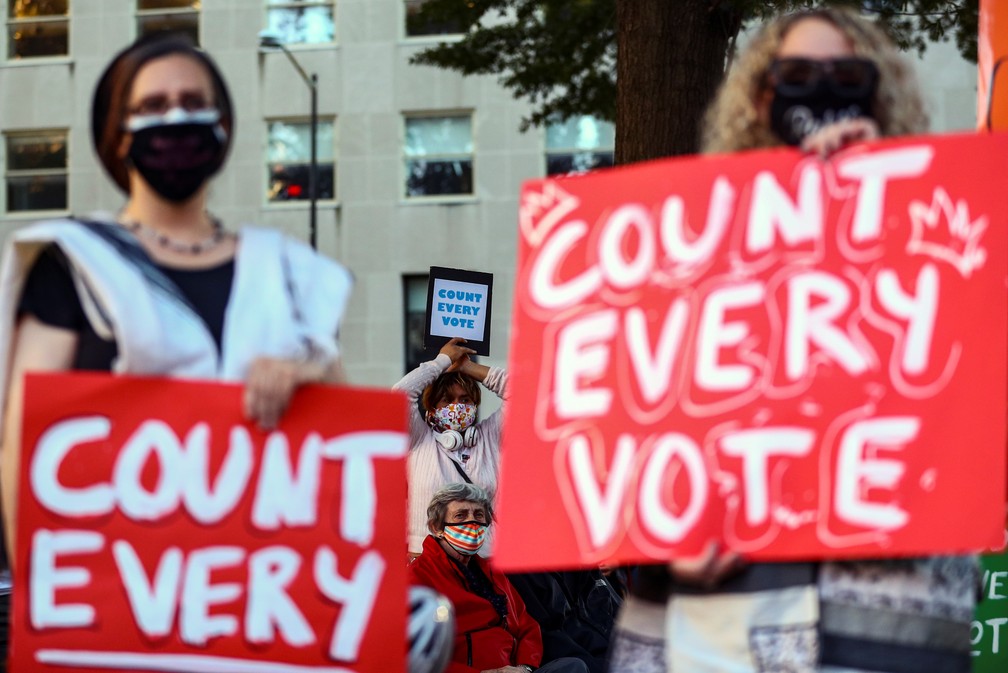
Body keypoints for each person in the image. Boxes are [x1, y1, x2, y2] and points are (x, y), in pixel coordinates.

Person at [609, 8, 977, 673]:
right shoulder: (685, 246)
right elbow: (628, 418)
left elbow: (969, 386)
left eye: (847, 74)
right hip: (718, 611)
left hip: (884, 618)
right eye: (799, 74)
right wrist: (659, 531)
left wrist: (886, 205)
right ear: (761, 97)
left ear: (881, 92)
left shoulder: (944, 229)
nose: (824, 89)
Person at [0, 29, 352, 609]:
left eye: (194, 102)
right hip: (121, 599)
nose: (176, 117)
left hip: (260, 603)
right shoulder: (73, 262)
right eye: (152, 106)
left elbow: (350, 447)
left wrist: (307, 377)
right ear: (117, 134)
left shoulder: (288, 273)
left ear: (223, 125)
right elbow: (24, 452)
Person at [409, 483, 588, 673]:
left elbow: (527, 628)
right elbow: (415, 654)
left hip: (514, 669)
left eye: (478, 515)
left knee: (574, 667)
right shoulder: (417, 577)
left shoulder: (493, 573)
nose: (472, 523)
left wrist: (524, 667)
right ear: (436, 527)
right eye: (460, 515)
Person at [395, 337, 507, 559]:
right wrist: (442, 362)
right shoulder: (419, 438)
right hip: (427, 565)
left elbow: (527, 394)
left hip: (484, 565)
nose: (458, 407)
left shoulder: (490, 437)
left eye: (465, 400)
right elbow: (399, 395)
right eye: (447, 400)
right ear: (433, 407)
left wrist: (468, 366)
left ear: (475, 405)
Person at [507, 567, 626, 673]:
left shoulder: (581, 560)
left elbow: (615, 607)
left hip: (617, 650)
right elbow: (549, 639)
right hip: (583, 660)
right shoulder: (520, 573)